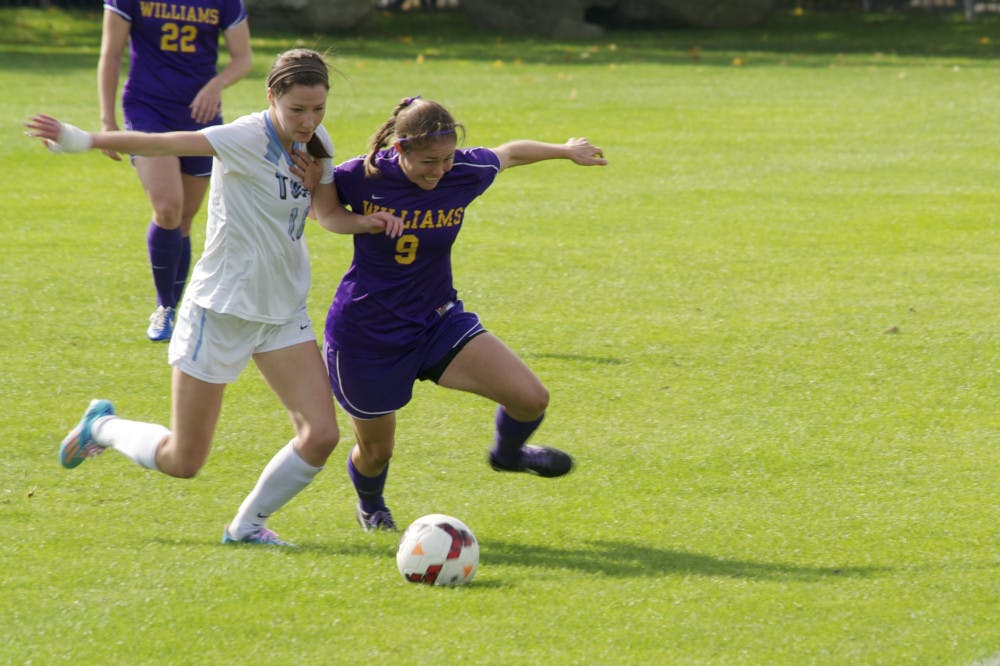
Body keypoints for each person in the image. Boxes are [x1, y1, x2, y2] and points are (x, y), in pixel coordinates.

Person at [26, 49, 402, 546]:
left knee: (321, 435)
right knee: (185, 460)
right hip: (222, 309)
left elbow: (326, 214)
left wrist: (367, 223)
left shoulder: (318, 142)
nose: (309, 121)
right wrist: (84, 139)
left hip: (282, 311)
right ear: (271, 98)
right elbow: (162, 142)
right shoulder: (244, 136)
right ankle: (104, 428)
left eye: (318, 110)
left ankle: (245, 528)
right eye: (297, 111)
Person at [313, 96, 608, 531]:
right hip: (367, 336)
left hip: (436, 320)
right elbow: (326, 212)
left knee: (531, 399)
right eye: (429, 161)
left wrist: (565, 150)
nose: (440, 170)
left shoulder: (464, 173)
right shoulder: (363, 175)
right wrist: (363, 222)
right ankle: (372, 505)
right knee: (377, 452)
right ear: (400, 150)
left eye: (447, 159)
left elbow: (509, 153)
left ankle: (507, 456)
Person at [98, 0, 253, 341]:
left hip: (199, 113)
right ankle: (164, 308)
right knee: (167, 207)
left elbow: (243, 59)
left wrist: (215, 86)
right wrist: (108, 121)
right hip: (147, 109)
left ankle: (179, 311)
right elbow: (111, 54)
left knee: (185, 217)